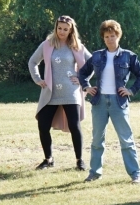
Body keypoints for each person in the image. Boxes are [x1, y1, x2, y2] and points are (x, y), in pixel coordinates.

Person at [78, 20, 140, 183]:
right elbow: (82, 73)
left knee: (126, 139)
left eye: (113, 36)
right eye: (107, 36)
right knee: (97, 140)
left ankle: (135, 173)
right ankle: (94, 172)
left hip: (119, 102)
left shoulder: (128, 56)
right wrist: (87, 87)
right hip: (99, 102)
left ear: (118, 36)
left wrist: (131, 90)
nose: (110, 39)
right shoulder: (96, 56)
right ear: (103, 38)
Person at [28, 15, 92, 170]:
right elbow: (32, 62)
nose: (62, 32)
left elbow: (91, 63)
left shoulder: (76, 46)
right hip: (50, 91)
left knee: (74, 126)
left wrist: (82, 79)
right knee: (43, 125)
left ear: (71, 30)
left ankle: (79, 161)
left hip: (71, 91)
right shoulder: (47, 44)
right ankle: (48, 159)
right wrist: (37, 79)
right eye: (59, 28)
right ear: (56, 28)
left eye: (65, 29)